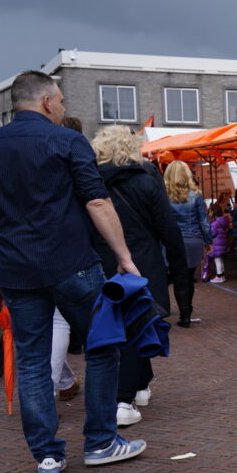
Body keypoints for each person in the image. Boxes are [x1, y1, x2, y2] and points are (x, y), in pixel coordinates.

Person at [0, 70, 146, 473]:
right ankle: (101, 442)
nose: (64, 106)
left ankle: (47, 457)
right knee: (103, 346)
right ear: (47, 101)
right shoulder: (67, 140)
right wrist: (124, 257)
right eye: (62, 100)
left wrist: (10, 243)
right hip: (71, 264)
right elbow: (97, 201)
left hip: (17, 270)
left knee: (33, 361)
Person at [90, 126, 187, 426]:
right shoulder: (145, 182)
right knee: (138, 324)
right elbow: (167, 227)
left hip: (102, 261)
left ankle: (140, 384)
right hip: (142, 262)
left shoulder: (89, 183)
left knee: (112, 329)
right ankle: (124, 398)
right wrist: (179, 269)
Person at [164, 161, 212, 327]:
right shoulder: (196, 195)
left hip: (173, 240)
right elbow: (204, 221)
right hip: (193, 239)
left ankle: (184, 313)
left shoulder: (164, 195)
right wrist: (208, 240)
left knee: (179, 277)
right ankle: (187, 312)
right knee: (188, 277)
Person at [204, 202, 230, 283]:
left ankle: (219, 276)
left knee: (217, 260)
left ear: (212, 212)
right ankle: (222, 275)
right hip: (221, 243)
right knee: (220, 259)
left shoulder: (215, 223)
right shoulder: (222, 221)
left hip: (216, 244)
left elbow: (212, 233)